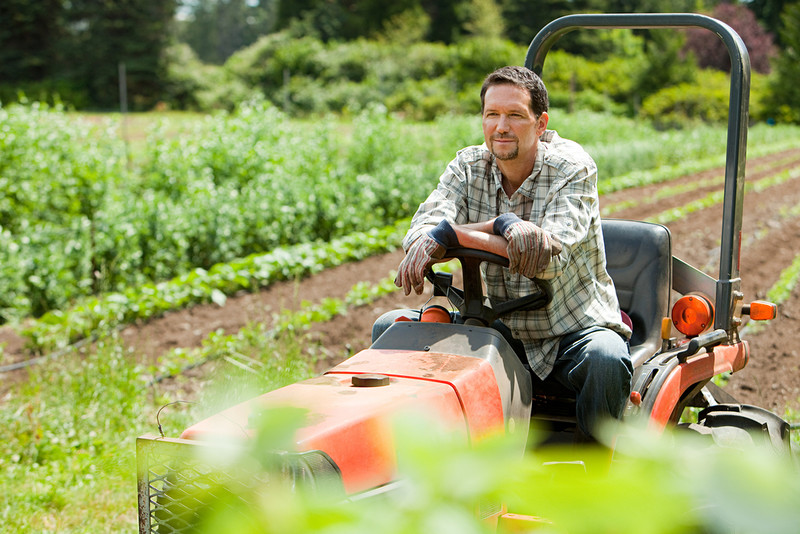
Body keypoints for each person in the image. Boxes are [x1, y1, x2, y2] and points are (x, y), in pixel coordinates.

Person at [385, 65, 632, 441]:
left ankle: (597, 476)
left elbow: (546, 256)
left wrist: (455, 235)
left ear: (540, 123)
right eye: (492, 114)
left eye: (515, 115)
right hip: (499, 326)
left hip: (571, 330)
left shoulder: (571, 168)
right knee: (391, 328)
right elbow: (424, 228)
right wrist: (483, 230)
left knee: (606, 359)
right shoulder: (468, 166)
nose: (501, 126)